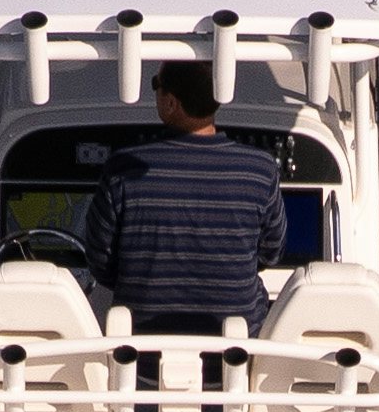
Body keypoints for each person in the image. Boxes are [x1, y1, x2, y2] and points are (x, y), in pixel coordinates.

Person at [81, 63, 286, 340]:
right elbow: (271, 253)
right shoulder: (260, 169)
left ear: (170, 102)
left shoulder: (122, 168)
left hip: (142, 360)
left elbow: (100, 261)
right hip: (236, 359)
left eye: (157, 84)